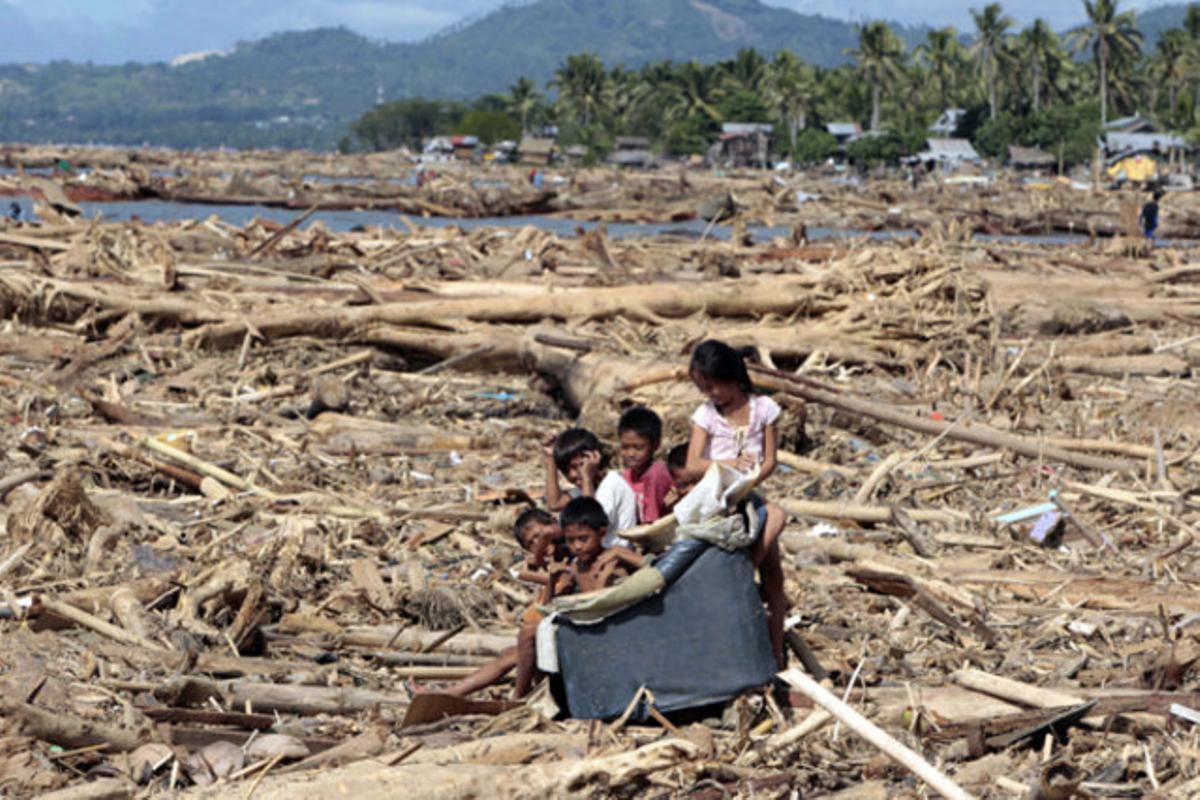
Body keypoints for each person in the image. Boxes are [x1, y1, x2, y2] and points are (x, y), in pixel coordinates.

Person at [685, 339, 789, 666]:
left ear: (732, 377)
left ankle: (776, 654)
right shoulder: (706, 415)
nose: (711, 394)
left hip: (749, 492)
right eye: (705, 388)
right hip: (717, 497)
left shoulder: (763, 409)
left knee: (774, 577)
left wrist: (751, 479)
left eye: (714, 386)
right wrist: (730, 464)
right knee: (773, 524)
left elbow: (771, 459)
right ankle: (739, 583)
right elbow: (693, 463)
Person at [425, 508, 562, 699]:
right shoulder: (555, 563)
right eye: (532, 543)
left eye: (540, 536)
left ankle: (518, 698)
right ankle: (446, 694)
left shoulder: (570, 553)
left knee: (522, 642)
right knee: (509, 654)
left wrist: (534, 570)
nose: (540, 543)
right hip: (551, 637)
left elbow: (556, 591)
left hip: (564, 636)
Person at [544, 427, 637, 547]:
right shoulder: (587, 487)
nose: (572, 475)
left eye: (578, 466)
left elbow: (591, 521)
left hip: (614, 553)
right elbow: (554, 504)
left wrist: (586, 477)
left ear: (594, 459)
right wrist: (551, 458)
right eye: (566, 471)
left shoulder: (611, 484)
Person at [553, 497, 643, 595]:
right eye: (570, 540)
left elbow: (658, 568)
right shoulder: (575, 569)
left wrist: (621, 554)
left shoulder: (614, 557)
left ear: (601, 533)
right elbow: (550, 607)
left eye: (583, 539)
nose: (577, 546)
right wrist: (551, 581)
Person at [618, 406, 674, 524]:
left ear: (655, 445)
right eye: (625, 447)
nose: (631, 454)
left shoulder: (656, 474)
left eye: (638, 447)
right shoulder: (625, 477)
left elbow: (651, 523)